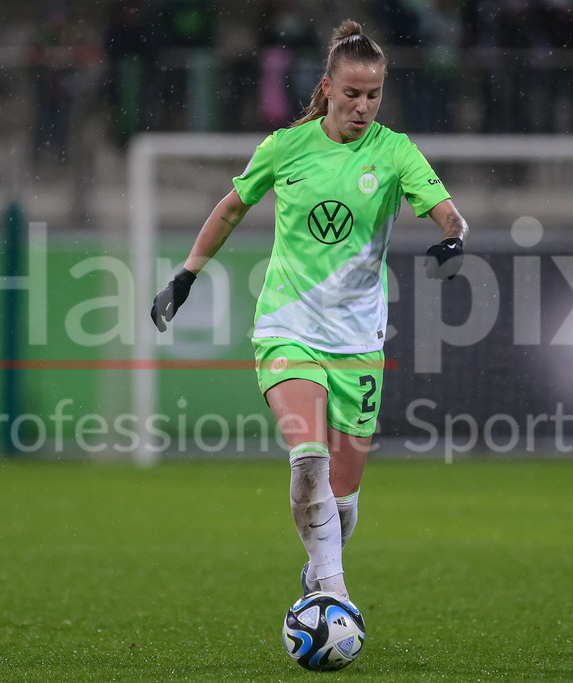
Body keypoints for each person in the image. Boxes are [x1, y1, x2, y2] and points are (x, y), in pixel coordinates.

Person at [150, 19, 468, 604]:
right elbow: (230, 208)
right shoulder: (285, 147)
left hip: (358, 341)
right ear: (326, 88)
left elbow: (448, 213)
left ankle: (319, 574)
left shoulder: (395, 152)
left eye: (373, 95)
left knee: (342, 501)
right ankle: (335, 598)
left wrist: (452, 241)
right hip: (287, 327)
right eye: (352, 93)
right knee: (308, 460)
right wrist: (186, 274)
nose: (363, 106)